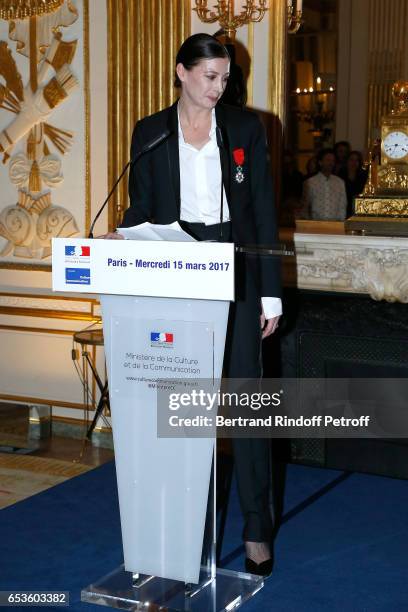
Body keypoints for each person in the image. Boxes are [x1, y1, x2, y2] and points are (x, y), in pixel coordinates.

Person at [105, 33, 282, 576]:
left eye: (225, 77)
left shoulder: (246, 128)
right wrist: (121, 238)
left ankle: (256, 531)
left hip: (237, 266)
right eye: (210, 76)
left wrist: (269, 291)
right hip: (175, 268)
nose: (219, 87)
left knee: (246, 406)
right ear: (181, 72)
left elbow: (262, 212)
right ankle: (170, 525)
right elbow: (143, 208)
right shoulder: (151, 132)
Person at [299, 147, 347, 220]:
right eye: (328, 160)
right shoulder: (310, 182)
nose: (331, 163)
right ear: (320, 162)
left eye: (333, 161)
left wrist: (340, 223)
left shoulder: (340, 182)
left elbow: (342, 206)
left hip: (335, 225)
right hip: (315, 225)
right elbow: (305, 207)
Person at [338, 150, 368, 216]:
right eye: (351, 160)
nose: (354, 163)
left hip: (359, 209)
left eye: (356, 160)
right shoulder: (340, 176)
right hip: (342, 209)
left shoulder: (363, 176)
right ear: (347, 161)